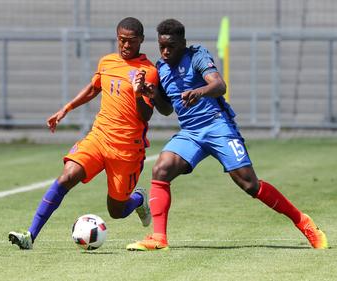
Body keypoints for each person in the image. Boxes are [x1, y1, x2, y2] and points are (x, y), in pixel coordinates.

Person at [126, 18, 328, 251]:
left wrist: (200, 91)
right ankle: (159, 238)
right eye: (161, 46)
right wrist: (151, 94)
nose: (165, 51)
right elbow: (166, 109)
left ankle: (303, 222)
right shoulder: (161, 69)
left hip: (217, 126)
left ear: (183, 43)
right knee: (162, 168)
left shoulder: (197, 56)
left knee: (249, 184)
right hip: (191, 132)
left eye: (170, 46)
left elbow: (220, 85)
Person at [8, 17, 159, 250]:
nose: (126, 45)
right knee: (67, 176)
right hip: (99, 137)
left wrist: (139, 94)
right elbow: (93, 89)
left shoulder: (147, 71)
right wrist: (65, 109)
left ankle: (138, 199)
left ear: (141, 40)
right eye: (121, 40)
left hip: (127, 149)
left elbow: (146, 116)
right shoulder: (107, 62)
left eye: (131, 41)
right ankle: (30, 235)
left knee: (116, 211)